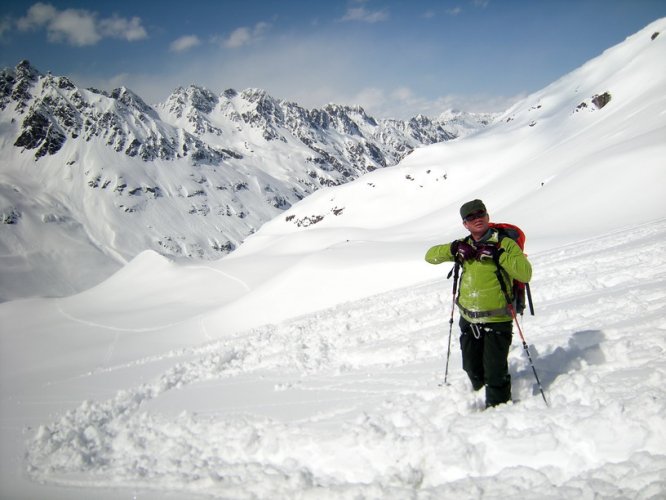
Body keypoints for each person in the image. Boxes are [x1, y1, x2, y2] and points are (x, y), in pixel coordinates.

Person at [424, 199, 532, 407]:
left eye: (480, 214)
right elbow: (430, 256)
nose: (477, 219)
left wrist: (499, 255)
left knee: (495, 372)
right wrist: (454, 247)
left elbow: (525, 274)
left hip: (498, 318)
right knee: (471, 368)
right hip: (468, 318)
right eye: (470, 217)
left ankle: (498, 410)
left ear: (487, 216)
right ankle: (479, 396)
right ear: (465, 223)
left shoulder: (504, 243)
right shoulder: (465, 245)